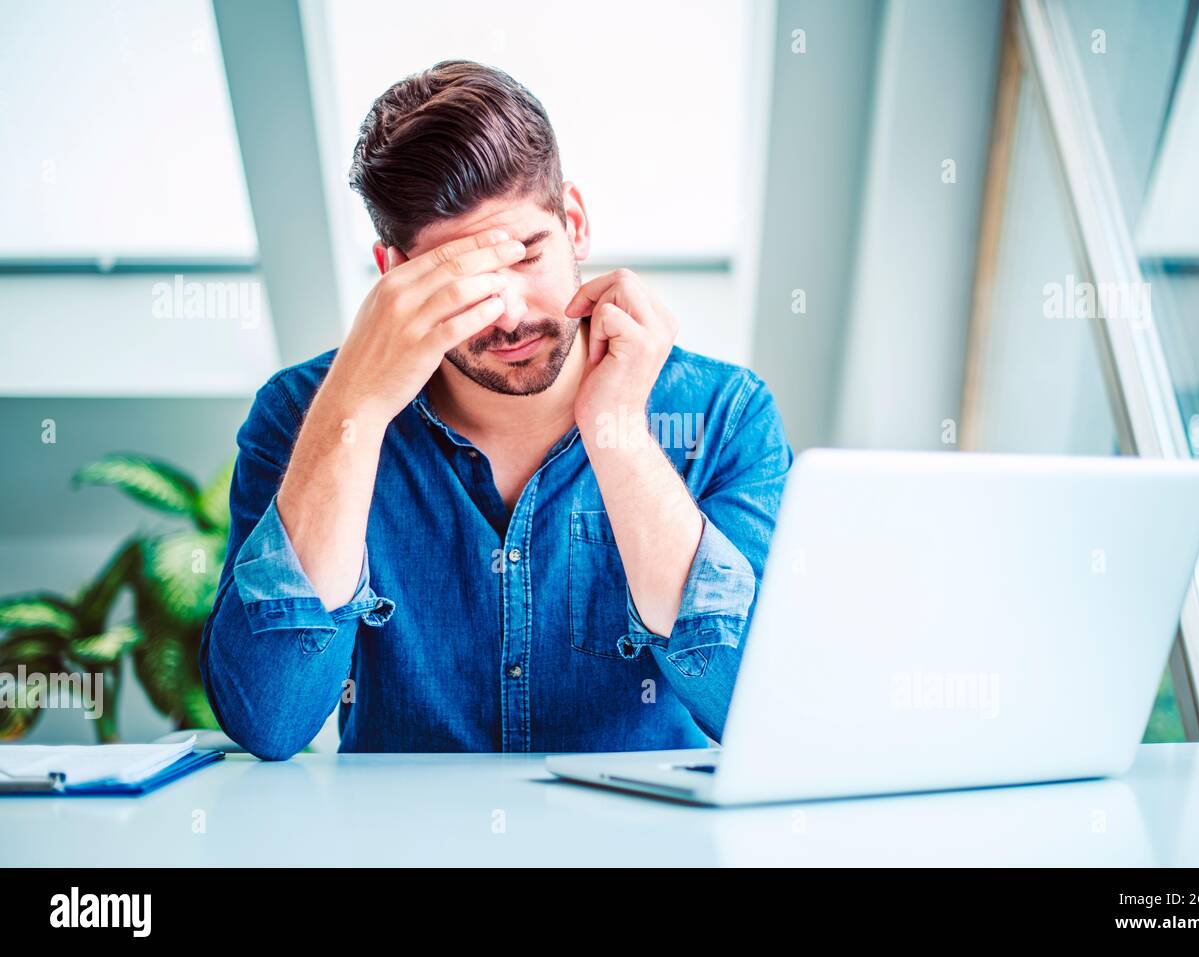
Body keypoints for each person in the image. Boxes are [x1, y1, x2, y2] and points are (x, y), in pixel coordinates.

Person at [199, 60, 792, 759]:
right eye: (461, 281)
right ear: (393, 274)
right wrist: (355, 407)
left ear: (573, 223)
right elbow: (270, 717)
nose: (508, 315)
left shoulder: (726, 415)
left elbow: (757, 709)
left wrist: (618, 434)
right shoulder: (306, 414)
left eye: (526, 256)